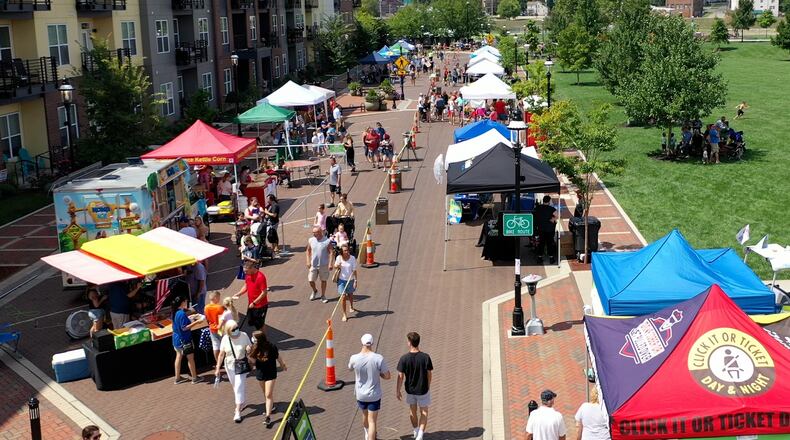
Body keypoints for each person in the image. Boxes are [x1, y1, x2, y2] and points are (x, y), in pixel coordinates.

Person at [348, 333, 391, 440]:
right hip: (374, 394)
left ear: (361, 343)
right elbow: (387, 376)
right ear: (372, 343)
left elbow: (350, 368)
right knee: (372, 421)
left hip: (360, 394)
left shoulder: (354, 358)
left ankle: (366, 434)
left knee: (364, 414)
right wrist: (379, 374)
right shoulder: (378, 358)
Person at [396, 332, 434, 440]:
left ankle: (416, 429)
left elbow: (400, 376)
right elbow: (429, 374)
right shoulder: (425, 357)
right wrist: (428, 385)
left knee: (412, 411)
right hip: (423, 389)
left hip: (410, 390)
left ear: (409, 343)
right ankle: (420, 434)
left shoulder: (404, 358)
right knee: (424, 412)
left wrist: (398, 390)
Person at [213, 320, 253, 423]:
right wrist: (218, 368)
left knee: (239, 386)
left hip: (241, 365)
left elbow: (250, 348)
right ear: (228, 331)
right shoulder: (225, 339)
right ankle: (242, 402)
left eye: (237, 327)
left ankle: (237, 411)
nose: (236, 330)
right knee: (236, 386)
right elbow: (221, 354)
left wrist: (249, 349)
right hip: (229, 366)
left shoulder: (244, 335)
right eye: (233, 329)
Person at [251, 330, 287, 429]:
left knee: (268, 394)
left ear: (259, 339)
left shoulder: (271, 346)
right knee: (265, 393)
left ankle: (268, 417)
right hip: (260, 374)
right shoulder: (254, 348)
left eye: (254, 338)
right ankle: (272, 406)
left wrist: (283, 365)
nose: (252, 339)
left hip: (271, 373)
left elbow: (278, 356)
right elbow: (253, 362)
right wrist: (249, 353)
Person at [171, 295, 203, 384]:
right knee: (190, 359)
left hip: (176, 339)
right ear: (182, 303)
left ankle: (177, 378)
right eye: (185, 301)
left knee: (178, 356)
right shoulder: (181, 313)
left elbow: (179, 323)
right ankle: (194, 378)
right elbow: (184, 328)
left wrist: (190, 318)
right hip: (184, 339)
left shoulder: (175, 312)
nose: (187, 303)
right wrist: (197, 322)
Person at [232, 261, 270, 331]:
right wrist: (239, 293)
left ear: (252, 268)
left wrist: (254, 303)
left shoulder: (260, 277)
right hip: (251, 304)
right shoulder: (248, 275)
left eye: (246, 271)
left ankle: (262, 339)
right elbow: (246, 285)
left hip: (260, 306)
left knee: (260, 324)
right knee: (254, 322)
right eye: (244, 271)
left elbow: (264, 293)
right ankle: (259, 334)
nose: (245, 273)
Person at [307, 226, 334, 302]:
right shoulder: (311, 240)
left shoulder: (327, 241)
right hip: (313, 265)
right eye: (313, 233)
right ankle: (315, 290)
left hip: (324, 265)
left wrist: (330, 264)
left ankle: (323, 295)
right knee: (311, 280)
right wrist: (308, 261)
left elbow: (331, 252)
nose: (314, 234)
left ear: (320, 232)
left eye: (315, 233)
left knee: (323, 280)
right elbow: (308, 251)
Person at [334, 243, 358, 321]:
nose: (347, 251)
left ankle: (351, 306)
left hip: (350, 280)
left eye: (347, 250)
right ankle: (344, 314)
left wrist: (355, 280)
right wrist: (338, 265)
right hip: (341, 281)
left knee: (350, 295)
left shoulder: (352, 258)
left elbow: (354, 270)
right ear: (341, 251)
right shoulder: (339, 258)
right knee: (343, 297)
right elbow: (335, 266)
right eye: (345, 250)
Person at [533, 195, 558, 264]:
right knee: (550, 243)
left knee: (541, 243)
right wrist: (552, 219)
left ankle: (539, 257)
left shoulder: (538, 208)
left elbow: (534, 215)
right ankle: (551, 258)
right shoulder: (551, 209)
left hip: (541, 228)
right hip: (549, 229)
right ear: (549, 201)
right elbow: (557, 215)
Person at [204, 290, 225, 365]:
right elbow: (224, 319)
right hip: (220, 329)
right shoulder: (219, 307)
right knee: (224, 345)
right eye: (219, 297)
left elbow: (207, 318)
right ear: (215, 298)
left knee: (215, 346)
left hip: (212, 328)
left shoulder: (206, 307)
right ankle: (225, 362)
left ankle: (218, 363)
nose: (219, 299)